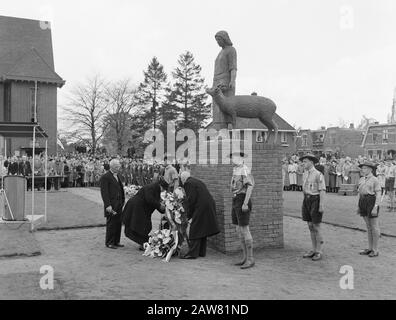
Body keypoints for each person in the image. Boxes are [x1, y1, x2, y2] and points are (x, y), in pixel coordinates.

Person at [180, 171, 220, 259]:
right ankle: (201, 252)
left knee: (195, 228)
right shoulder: (196, 181)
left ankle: (192, 254)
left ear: (183, 179)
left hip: (201, 206)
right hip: (208, 205)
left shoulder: (188, 183)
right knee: (202, 228)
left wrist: (189, 215)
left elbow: (191, 200)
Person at [122, 177, 167, 250]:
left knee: (144, 226)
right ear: (160, 186)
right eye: (163, 189)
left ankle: (143, 242)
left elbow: (155, 202)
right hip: (137, 208)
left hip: (140, 209)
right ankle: (143, 243)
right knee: (139, 226)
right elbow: (150, 199)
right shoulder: (152, 187)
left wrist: (164, 209)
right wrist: (160, 205)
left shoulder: (155, 189)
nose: (163, 191)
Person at [229, 152, 255, 269]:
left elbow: (250, 186)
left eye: (233, 158)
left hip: (242, 199)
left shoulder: (244, 169)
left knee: (244, 228)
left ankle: (250, 259)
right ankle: (244, 257)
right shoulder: (236, 170)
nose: (232, 160)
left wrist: (245, 203)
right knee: (238, 228)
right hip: (236, 199)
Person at [300, 153, 326, 261]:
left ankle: (319, 251)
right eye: (303, 161)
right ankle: (314, 249)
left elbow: (322, 190)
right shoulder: (305, 174)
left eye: (305, 161)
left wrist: (321, 204)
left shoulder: (318, 174)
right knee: (310, 225)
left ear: (311, 162)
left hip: (315, 199)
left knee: (316, 226)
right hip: (307, 199)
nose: (303, 163)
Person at [212, 30, 237, 128]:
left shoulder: (231, 50)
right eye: (216, 40)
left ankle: (227, 126)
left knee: (226, 105)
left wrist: (232, 80)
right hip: (216, 80)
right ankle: (218, 127)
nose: (218, 42)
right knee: (216, 106)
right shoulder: (221, 52)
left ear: (224, 39)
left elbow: (233, 67)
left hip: (225, 80)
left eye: (219, 39)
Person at [357, 161, 381, 258]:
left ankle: (375, 249)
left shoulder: (375, 179)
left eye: (365, 168)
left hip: (371, 201)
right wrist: (359, 206)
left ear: (371, 169)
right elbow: (360, 192)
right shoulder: (361, 179)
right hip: (363, 201)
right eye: (362, 168)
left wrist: (375, 207)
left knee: (374, 226)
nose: (363, 170)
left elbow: (378, 194)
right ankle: (370, 248)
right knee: (368, 226)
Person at [100, 159, 125, 249]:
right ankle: (109, 242)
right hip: (111, 204)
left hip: (119, 203)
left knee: (118, 223)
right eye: (117, 166)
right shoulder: (105, 177)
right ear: (113, 167)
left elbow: (120, 189)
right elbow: (104, 193)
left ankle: (116, 241)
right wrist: (108, 205)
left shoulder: (117, 175)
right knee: (111, 223)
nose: (119, 168)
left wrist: (122, 201)